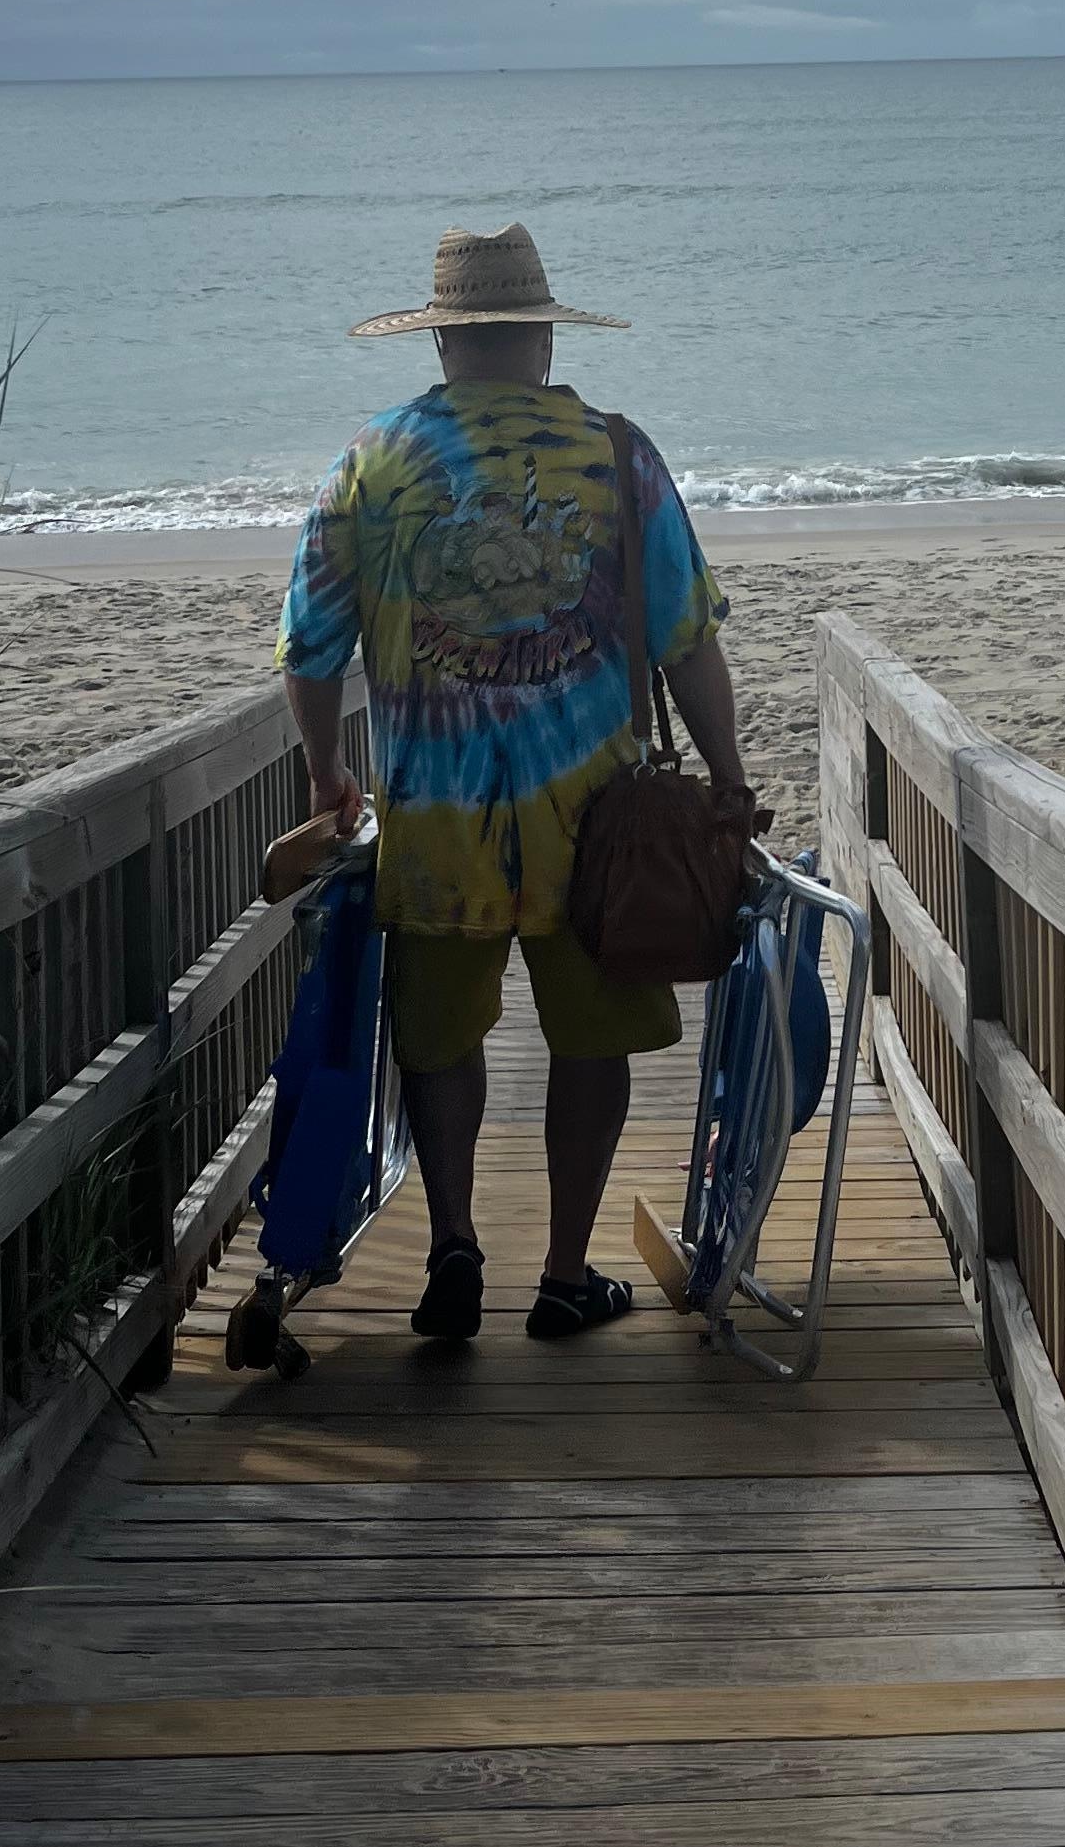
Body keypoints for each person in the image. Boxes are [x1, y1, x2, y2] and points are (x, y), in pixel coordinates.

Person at [275, 222, 753, 1345]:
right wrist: (730, 783)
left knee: (440, 1041)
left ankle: (452, 1247)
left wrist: (330, 773)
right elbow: (686, 640)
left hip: (436, 824)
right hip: (602, 832)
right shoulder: (618, 452)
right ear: (539, 335)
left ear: (443, 341)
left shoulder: (373, 463)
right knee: (591, 1040)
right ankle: (566, 1274)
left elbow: (309, 647)